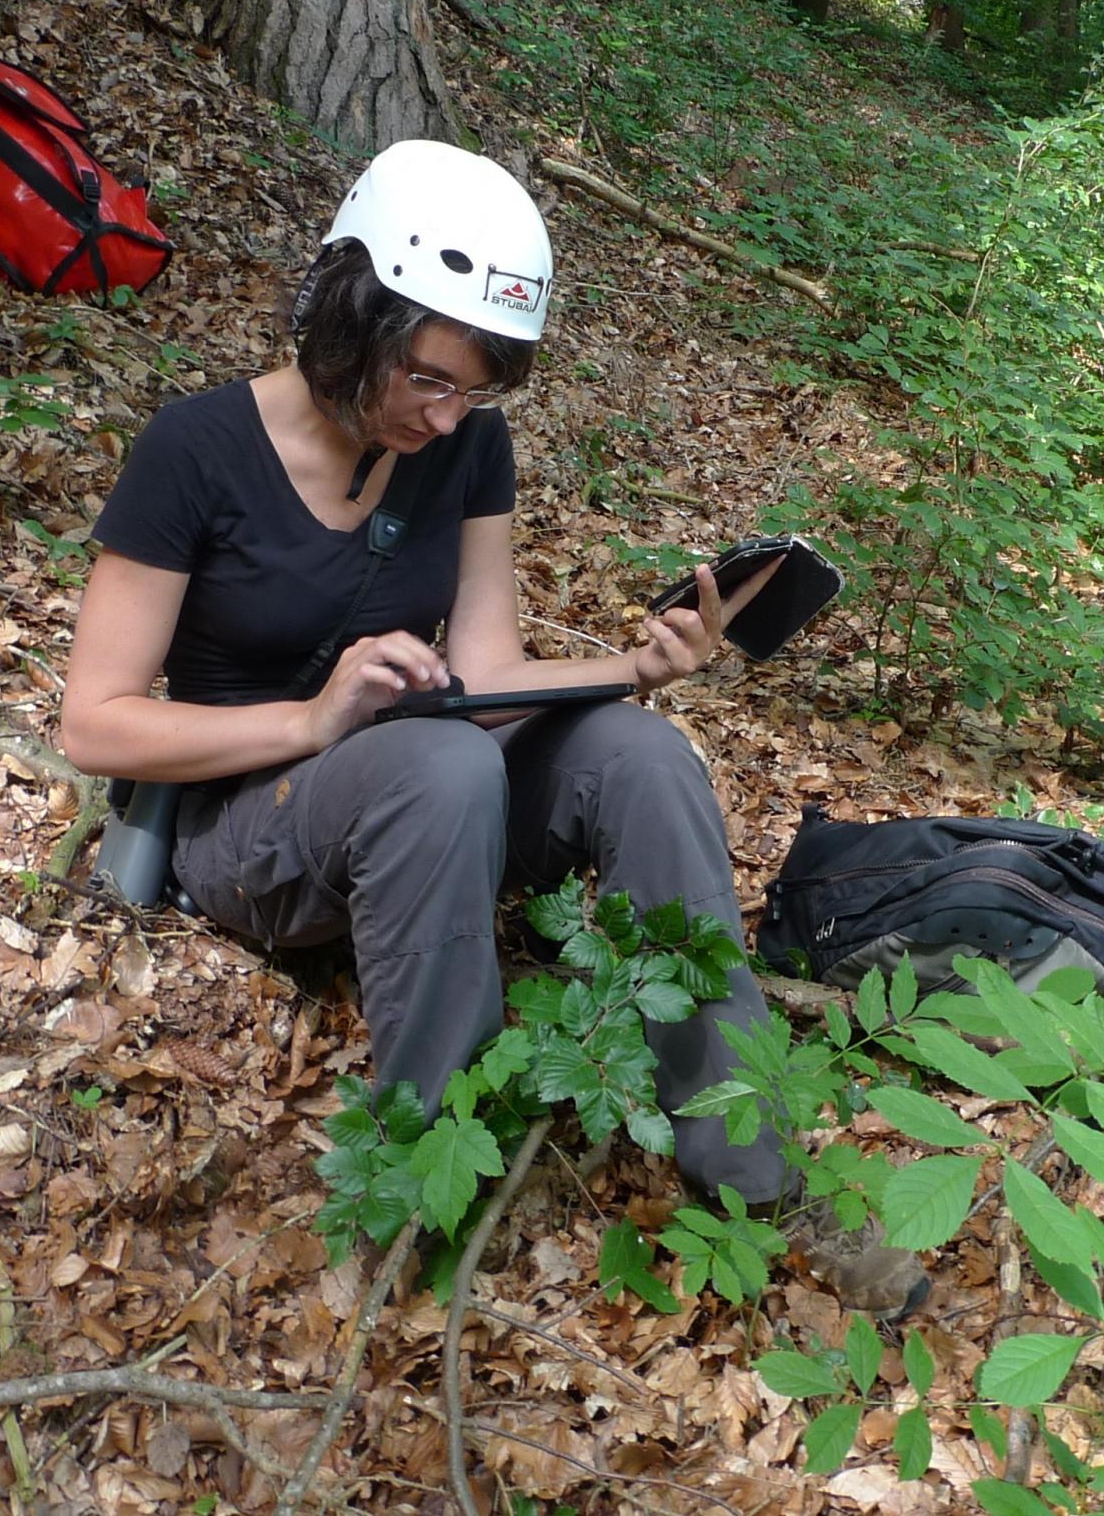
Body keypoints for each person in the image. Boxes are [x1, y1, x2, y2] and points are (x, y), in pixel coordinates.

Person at [58, 141, 926, 1317]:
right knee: (440, 760)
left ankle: (756, 1170)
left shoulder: (464, 445)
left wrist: (635, 668)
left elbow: (484, 673)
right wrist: (316, 717)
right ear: (350, 318)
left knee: (640, 756)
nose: (446, 414)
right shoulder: (195, 450)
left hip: (422, 785)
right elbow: (96, 724)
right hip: (249, 828)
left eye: (474, 390)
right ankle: (428, 1178)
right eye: (425, 378)